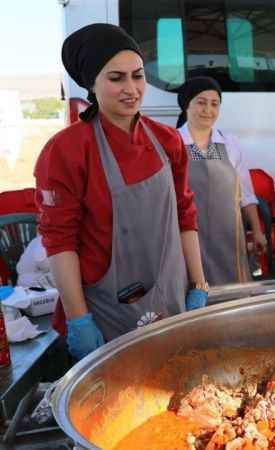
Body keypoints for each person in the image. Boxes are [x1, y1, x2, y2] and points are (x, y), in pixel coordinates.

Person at [35, 24, 209, 360]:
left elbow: (185, 216)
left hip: (170, 299)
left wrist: (198, 285)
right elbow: (60, 241)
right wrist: (78, 319)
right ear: (92, 84)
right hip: (104, 311)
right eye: (116, 78)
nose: (131, 89)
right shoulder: (66, 151)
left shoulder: (167, 140)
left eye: (138, 76)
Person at [176, 76, 267, 285]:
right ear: (187, 105)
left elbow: (246, 193)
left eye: (214, 104)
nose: (208, 110)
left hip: (229, 237)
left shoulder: (230, 144)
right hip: (190, 236)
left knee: (234, 290)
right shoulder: (174, 142)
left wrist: (257, 231)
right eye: (201, 102)